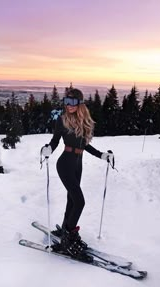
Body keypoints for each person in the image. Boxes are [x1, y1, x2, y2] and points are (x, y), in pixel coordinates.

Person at [40, 88, 114, 259]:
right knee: (79, 201)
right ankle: (69, 235)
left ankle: (66, 226)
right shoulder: (61, 120)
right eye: (67, 102)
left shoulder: (83, 121)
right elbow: (55, 141)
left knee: (72, 200)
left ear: (80, 104)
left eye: (73, 102)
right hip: (65, 164)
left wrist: (102, 155)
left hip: (77, 165)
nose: (69, 106)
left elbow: (85, 145)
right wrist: (48, 150)